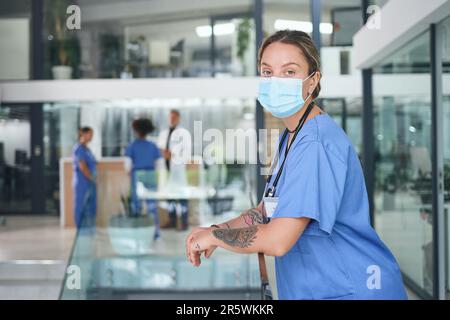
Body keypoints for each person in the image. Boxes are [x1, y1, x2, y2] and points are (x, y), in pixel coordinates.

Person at [185, 30, 407, 300]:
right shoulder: (291, 136)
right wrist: (218, 229)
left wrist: (216, 239)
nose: (275, 80)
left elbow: (278, 240)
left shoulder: (315, 144)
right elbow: (266, 211)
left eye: (289, 72)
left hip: (354, 288)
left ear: (312, 81)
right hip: (321, 287)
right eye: (267, 72)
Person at [125, 118, 162, 239]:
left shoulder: (132, 146)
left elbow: (127, 166)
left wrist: (131, 175)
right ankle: (155, 233)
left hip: (138, 176)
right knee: (152, 206)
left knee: (136, 206)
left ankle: (137, 231)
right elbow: (159, 165)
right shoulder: (153, 146)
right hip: (151, 176)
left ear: (136, 131)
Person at [158, 109, 189, 231]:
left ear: (178, 119)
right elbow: (159, 148)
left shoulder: (183, 134)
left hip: (178, 169)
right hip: (166, 169)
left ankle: (184, 223)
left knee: (181, 196)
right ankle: (171, 220)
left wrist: (173, 155)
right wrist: (163, 153)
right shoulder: (163, 133)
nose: (172, 120)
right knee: (169, 196)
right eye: (170, 117)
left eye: (174, 117)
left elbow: (186, 152)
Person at [72, 127, 96, 229]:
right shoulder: (79, 148)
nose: (92, 136)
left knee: (91, 206)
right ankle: (80, 229)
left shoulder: (87, 149)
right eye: (90, 134)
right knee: (81, 206)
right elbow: (82, 166)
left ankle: (88, 227)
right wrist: (92, 178)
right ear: (83, 134)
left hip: (90, 182)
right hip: (82, 183)